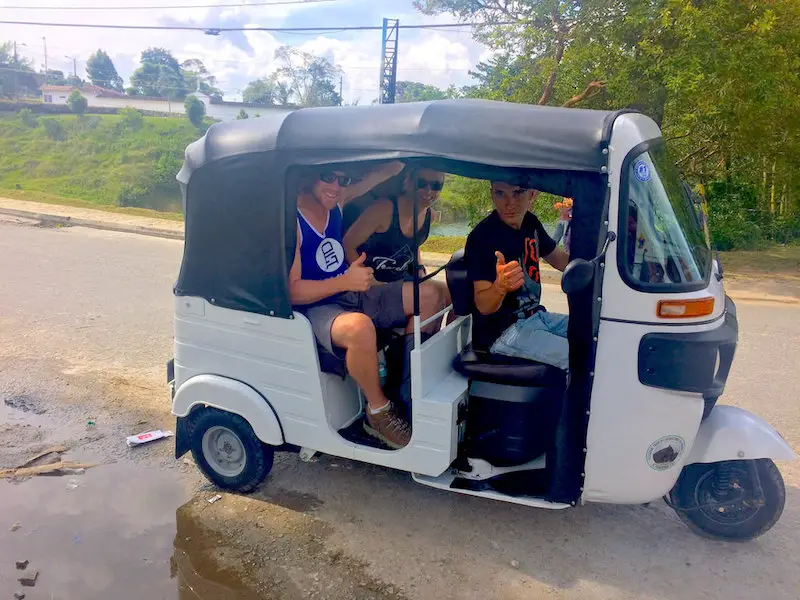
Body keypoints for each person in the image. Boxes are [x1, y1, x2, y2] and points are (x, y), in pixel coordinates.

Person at [289, 161, 444, 449]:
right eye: (328, 177)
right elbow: (294, 291)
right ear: (310, 176)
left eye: (343, 180)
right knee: (360, 328)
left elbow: (370, 180)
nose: (336, 186)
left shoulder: (334, 204)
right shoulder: (293, 221)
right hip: (317, 307)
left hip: (349, 290)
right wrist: (345, 281)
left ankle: (409, 391)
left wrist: (394, 165)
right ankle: (378, 412)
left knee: (433, 295)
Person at [464, 181, 570, 366]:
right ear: (492, 195)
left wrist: (600, 268)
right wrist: (500, 287)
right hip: (503, 331)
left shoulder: (531, 223)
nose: (509, 203)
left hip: (536, 316)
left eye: (518, 193)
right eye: (500, 193)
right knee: (577, 357)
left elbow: (560, 259)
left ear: (532, 194)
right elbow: (483, 306)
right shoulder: (481, 238)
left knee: (594, 331)